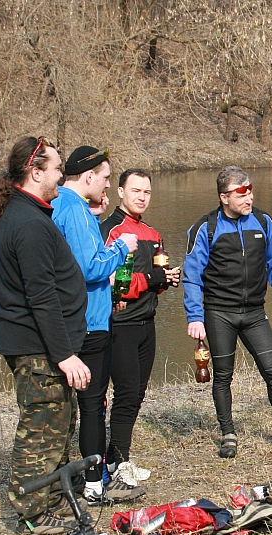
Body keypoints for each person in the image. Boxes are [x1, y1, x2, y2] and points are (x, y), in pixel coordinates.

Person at [0, 136, 90, 535]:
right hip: (36, 346)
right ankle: (31, 512)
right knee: (41, 428)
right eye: (58, 168)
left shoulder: (22, 211)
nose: (62, 175)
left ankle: (54, 499)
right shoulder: (27, 223)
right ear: (35, 172)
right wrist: (64, 354)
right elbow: (41, 296)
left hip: (41, 344)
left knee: (59, 423)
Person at [183, 165, 272, 458]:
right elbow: (192, 276)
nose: (249, 198)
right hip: (219, 313)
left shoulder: (263, 222)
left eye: (250, 191)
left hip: (254, 313)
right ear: (224, 197)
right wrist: (195, 317)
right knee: (223, 376)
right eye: (241, 193)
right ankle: (228, 435)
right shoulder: (205, 228)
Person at [52, 146, 146, 505]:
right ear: (89, 176)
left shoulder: (59, 203)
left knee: (69, 407)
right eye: (105, 178)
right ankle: (94, 482)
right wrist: (122, 248)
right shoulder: (75, 209)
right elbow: (90, 267)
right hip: (89, 323)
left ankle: (68, 475)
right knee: (93, 405)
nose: (107, 184)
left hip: (68, 319)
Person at [100, 169, 180, 482]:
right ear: (121, 192)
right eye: (136, 191)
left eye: (146, 192)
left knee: (137, 393)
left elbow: (152, 283)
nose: (142, 197)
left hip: (147, 322)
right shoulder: (111, 230)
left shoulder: (152, 233)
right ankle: (119, 463)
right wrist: (149, 279)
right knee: (126, 392)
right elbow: (110, 283)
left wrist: (165, 280)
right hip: (119, 323)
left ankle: (116, 457)